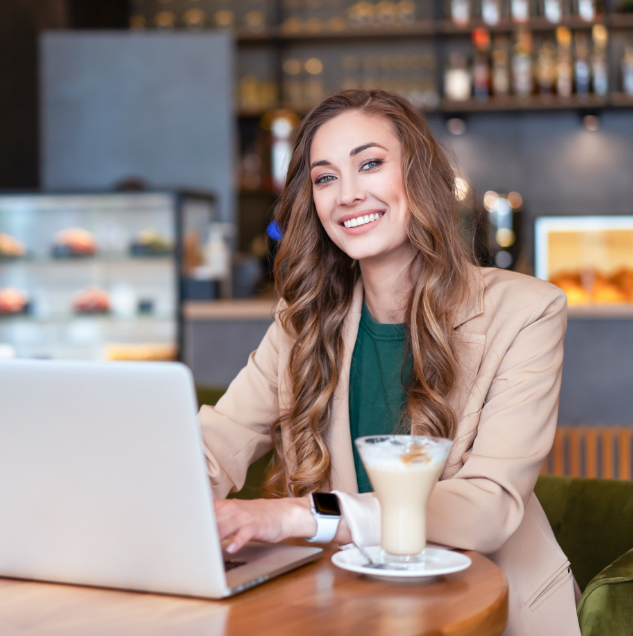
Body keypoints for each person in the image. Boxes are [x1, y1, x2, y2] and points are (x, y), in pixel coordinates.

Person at [199, 89, 580, 636]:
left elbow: (489, 504)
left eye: (370, 164)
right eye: (325, 177)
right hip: (353, 608)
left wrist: (298, 516)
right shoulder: (302, 317)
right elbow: (219, 439)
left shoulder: (526, 310)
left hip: (493, 610)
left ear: (419, 176)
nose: (347, 195)